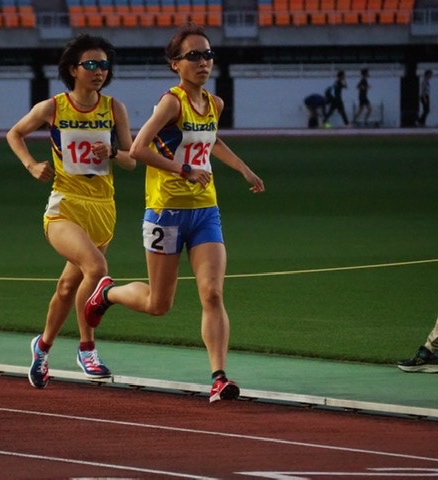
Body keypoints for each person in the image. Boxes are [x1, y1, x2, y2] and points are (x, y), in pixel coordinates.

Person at [84, 23, 265, 404]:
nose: (203, 62)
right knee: (158, 305)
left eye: (208, 54)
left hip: (205, 212)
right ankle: (108, 294)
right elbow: (137, 149)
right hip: (165, 213)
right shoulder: (172, 103)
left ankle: (219, 378)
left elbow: (210, 140)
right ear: (175, 64)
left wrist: (243, 169)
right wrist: (183, 170)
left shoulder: (213, 104)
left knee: (212, 293)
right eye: (194, 56)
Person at [6, 34, 135, 389]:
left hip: (102, 209)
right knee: (97, 268)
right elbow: (14, 134)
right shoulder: (54, 107)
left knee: (68, 287)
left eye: (104, 65)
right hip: (64, 205)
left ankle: (42, 346)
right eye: (91, 64)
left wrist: (110, 152)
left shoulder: (114, 109)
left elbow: (131, 161)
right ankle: (87, 348)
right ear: (73, 69)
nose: (98, 72)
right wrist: (31, 165)